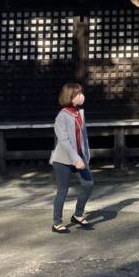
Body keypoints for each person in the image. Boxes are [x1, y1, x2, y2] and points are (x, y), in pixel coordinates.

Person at [49, 82, 94, 233]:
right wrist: (75, 159)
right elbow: (64, 141)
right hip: (63, 159)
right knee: (63, 190)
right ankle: (57, 222)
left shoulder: (79, 113)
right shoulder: (61, 116)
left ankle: (78, 214)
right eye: (78, 94)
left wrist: (85, 155)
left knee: (88, 184)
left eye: (81, 93)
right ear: (71, 96)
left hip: (80, 157)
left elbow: (84, 136)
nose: (82, 96)